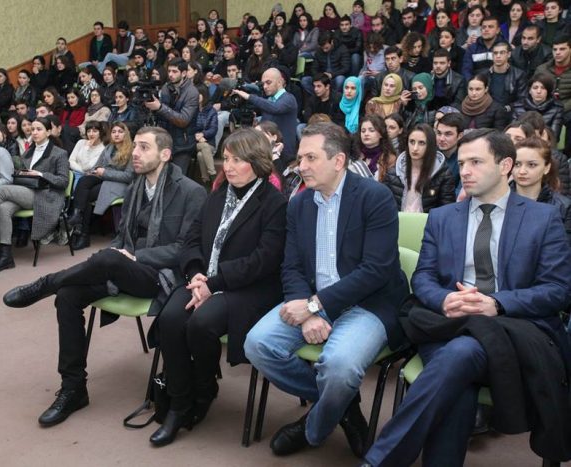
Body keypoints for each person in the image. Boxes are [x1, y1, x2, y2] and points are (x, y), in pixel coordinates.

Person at [363, 128, 571, 467]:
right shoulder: (443, 217)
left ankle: (378, 461)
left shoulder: (543, 218)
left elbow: (557, 289)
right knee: (459, 368)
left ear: (505, 165)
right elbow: (423, 277)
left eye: (476, 162)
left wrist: (497, 303)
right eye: (461, 163)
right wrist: (445, 299)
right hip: (449, 322)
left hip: (513, 326)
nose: (465, 171)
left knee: (462, 356)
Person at [2, 126, 206, 427]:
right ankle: (73, 388)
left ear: (165, 154)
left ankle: (47, 282)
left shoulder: (191, 191)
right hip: (122, 268)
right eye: (135, 146)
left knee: (109, 259)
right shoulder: (136, 186)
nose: (135, 153)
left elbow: (183, 248)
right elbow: (121, 238)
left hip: (161, 277)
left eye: (144, 147)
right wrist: (119, 255)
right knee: (68, 296)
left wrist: (133, 257)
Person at [244, 122, 409, 459]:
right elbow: (291, 266)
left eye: (310, 158)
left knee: (339, 367)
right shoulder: (299, 204)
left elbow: (375, 271)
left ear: (338, 161)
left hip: (368, 304)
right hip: (314, 299)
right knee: (258, 345)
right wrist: (306, 310)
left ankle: (313, 428)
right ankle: (344, 403)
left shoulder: (375, 197)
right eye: (300, 158)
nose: (300, 166)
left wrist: (314, 306)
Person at [151, 128, 287, 446]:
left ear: (257, 162)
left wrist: (213, 284)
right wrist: (196, 275)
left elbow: (263, 261)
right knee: (170, 319)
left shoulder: (274, 203)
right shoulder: (216, 196)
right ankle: (179, 403)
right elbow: (191, 240)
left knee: (201, 323)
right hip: (204, 279)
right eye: (226, 158)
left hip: (247, 287)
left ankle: (204, 389)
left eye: (237, 160)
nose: (228, 166)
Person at [0, 117, 68, 273]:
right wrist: (21, 172)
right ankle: (5, 257)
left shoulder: (59, 153)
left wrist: (41, 174)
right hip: (27, 191)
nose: (34, 132)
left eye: (39, 129)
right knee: (3, 208)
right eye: (33, 129)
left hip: (46, 195)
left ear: (48, 132)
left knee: (0, 190)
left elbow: (63, 181)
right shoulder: (29, 151)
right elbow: (24, 172)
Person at [68, 122, 134, 250]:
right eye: (114, 132)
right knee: (84, 180)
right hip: (104, 178)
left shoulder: (131, 151)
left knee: (87, 195)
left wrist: (104, 172)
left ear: (126, 134)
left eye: (120, 132)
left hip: (119, 184)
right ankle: (77, 215)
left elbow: (128, 177)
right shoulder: (108, 148)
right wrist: (94, 171)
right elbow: (97, 165)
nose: (116, 134)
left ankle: (83, 234)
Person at [231, 67, 299, 172]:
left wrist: (249, 96)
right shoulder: (269, 100)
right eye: (263, 84)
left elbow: (275, 108)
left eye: (268, 82)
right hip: (266, 151)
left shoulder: (289, 99)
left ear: (280, 82)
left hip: (283, 154)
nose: (265, 86)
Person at [382, 123, 456, 212]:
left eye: (421, 143)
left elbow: (447, 210)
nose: (415, 148)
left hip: (429, 221)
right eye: (412, 142)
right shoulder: (394, 173)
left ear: (430, 145)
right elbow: (383, 205)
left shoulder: (443, 174)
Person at [144, 59, 199, 175]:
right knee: (160, 177)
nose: (170, 74)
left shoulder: (192, 92)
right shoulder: (166, 87)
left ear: (184, 73)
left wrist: (160, 107)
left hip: (183, 145)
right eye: (169, 71)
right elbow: (163, 114)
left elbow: (183, 120)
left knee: (177, 179)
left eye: (174, 71)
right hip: (166, 141)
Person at [512, 137, 571, 242]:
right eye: (517, 164)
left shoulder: (563, 206)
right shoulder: (498, 200)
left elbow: (563, 247)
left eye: (531, 165)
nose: (522, 171)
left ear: (546, 168)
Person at [513, 73, 564, 137]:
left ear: (548, 91)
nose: (539, 91)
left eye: (543, 88)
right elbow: (513, 132)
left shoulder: (557, 108)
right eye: (535, 88)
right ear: (530, 90)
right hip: (521, 140)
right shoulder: (518, 107)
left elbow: (554, 136)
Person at [302, 31, 350, 95]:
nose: (324, 50)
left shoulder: (342, 49)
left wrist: (332, 75)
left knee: (340, 79)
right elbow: (314, 68)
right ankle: (319, 96)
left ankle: (333, 97)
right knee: (305, 80)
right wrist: (321, 76)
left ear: (332, 42)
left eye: (326, 48)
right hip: (322, 77)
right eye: (322, 48)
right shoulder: (319, 51)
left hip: (335, 76)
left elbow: (346, 68)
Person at [462, 16, 505, 81]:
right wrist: (472, 83)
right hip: (476, 84)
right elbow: (466, 70)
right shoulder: (472, 48)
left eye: (490, 27)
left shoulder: (505, 47)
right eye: (484, 27)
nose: (486, 29)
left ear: (498, 30)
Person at [488, 42, 527, 111]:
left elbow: (522, 99)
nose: (498, 56)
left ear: (509, 54)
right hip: (488, 112)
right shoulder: (485, 75)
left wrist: (508, 108)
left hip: (510, 112)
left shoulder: (519, 75)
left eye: (502, 53)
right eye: (495, 53)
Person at [357, 115, 396, 180]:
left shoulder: (389, 158)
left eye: (371, 130)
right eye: (363, 131)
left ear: (381, 134)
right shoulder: (355, 155)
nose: (366, 134)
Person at [69, 120, 107, 186]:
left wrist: (87, 148)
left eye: (95, 131)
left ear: (100, 133)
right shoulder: (81, 142)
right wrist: (82, 171)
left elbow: (86, 167)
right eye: (88, 131)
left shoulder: (102, 149)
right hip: (74, 172)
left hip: (86, 177)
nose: (91, 134)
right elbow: (70, 161)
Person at [436, 112, 466, 192]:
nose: (441, 139)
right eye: (439, 133)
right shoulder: (430, 154)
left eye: (448, 134)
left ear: (460, 136)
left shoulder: (465, 159)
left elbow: (460, 192)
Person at [194, 86, 218, 186]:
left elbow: (213, 129)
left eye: (198, 94)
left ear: (204, 95)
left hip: (209, 142)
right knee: (204, 146)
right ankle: (213, 176)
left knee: (200, 155)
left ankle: (206, 181)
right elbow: (188, 126)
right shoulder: (192, 109)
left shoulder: (211, 111)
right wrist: (197, 136)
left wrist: (203, 134)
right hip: (193, 142)